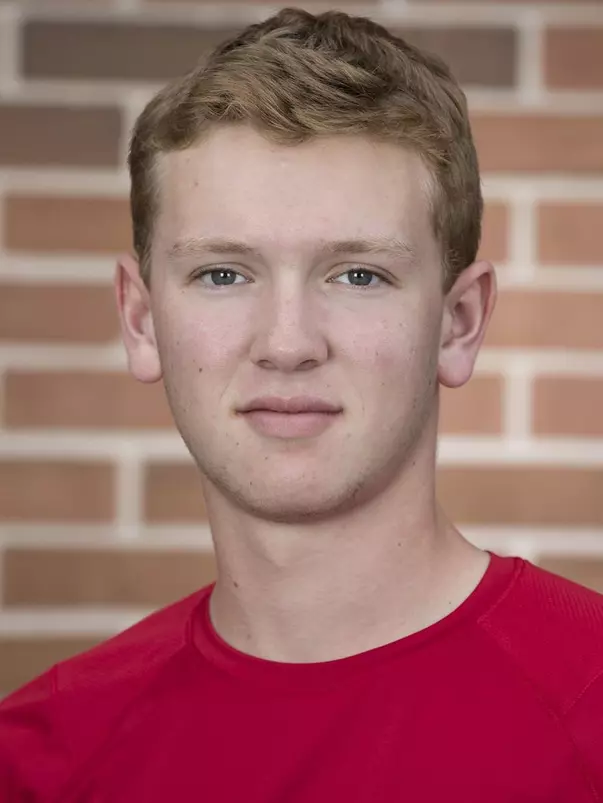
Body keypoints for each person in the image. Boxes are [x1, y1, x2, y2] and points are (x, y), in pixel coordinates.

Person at [1, 7, 602, 801]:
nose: (286, 344)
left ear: (458, 323)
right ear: (141, 320)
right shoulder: (38, 762)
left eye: (358, 274)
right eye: (222, 273)